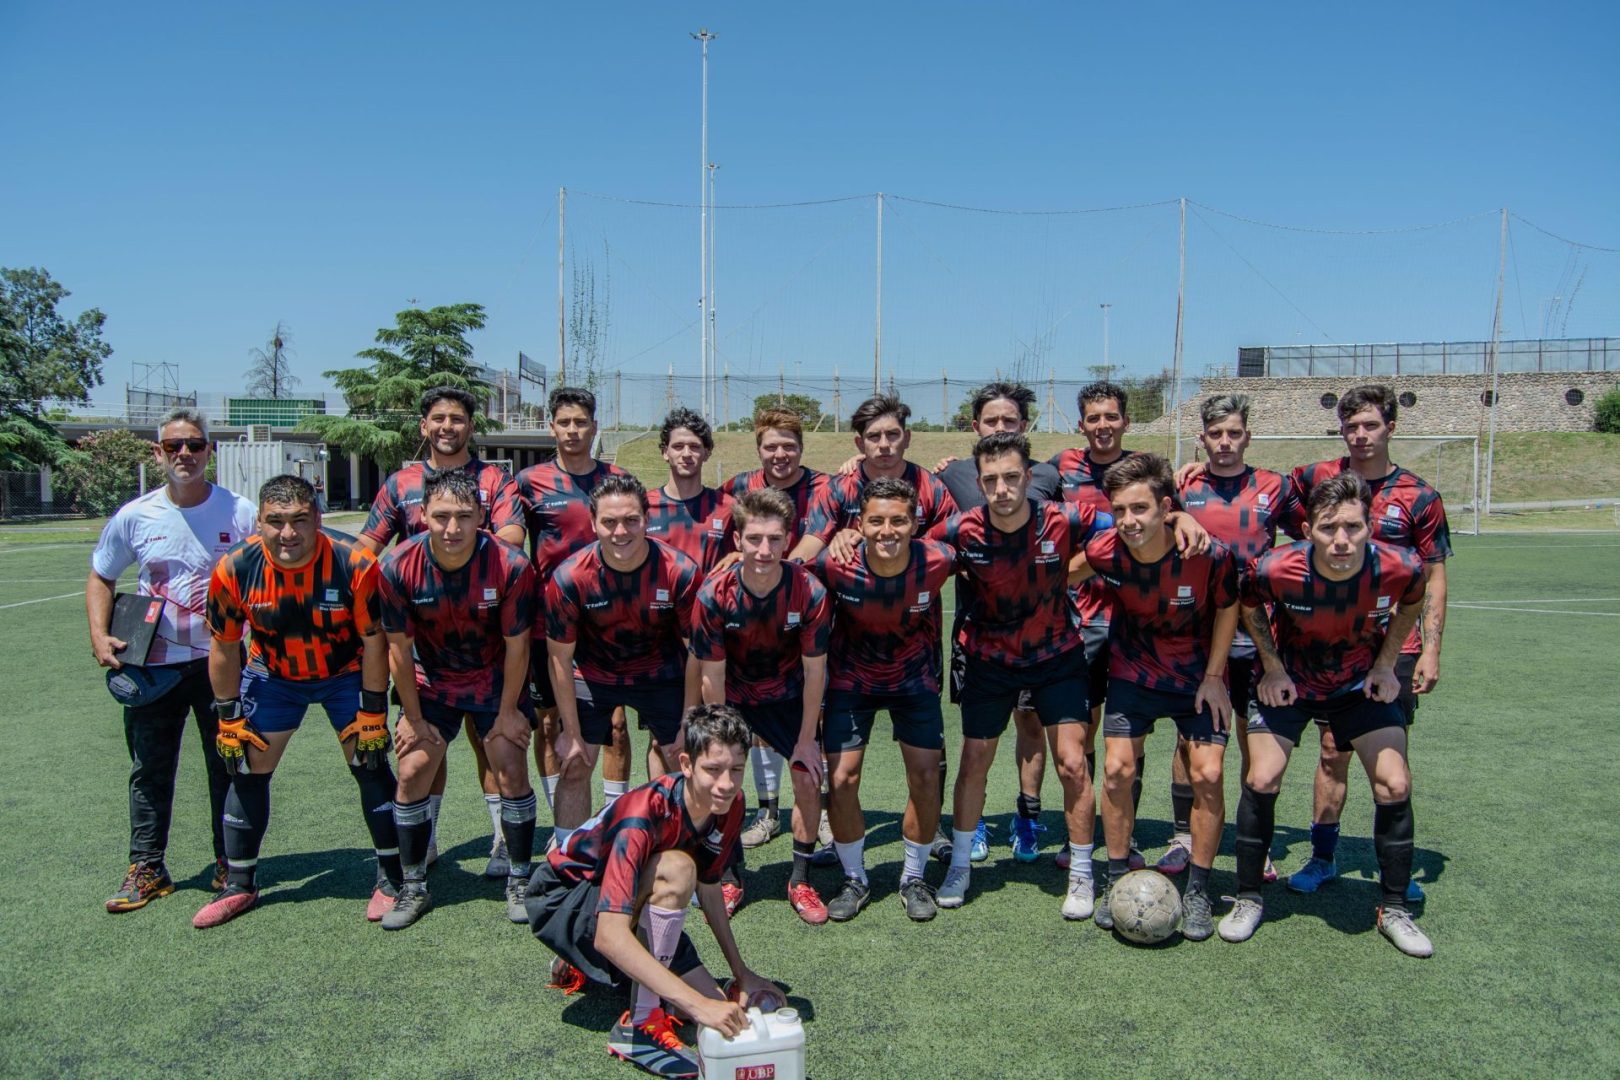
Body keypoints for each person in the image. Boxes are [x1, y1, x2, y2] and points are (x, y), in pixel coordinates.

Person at [1219, 473, 1433, 957]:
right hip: (1290, 682)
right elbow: (1247, 604)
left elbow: (1413, 602)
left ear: (1370, 526)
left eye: (1354, 528)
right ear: (1308, 528)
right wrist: (1271, 668)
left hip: (1359, 685)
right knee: (1263, 778)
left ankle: (1394, 908)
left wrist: (1385, 664)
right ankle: (1249, 897)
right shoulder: (1276, 567)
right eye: (1328, 527)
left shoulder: (1400, 566)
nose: (1341, 540)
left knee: (1395, 784)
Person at [531, 705, 784, 1080]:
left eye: (735, 769)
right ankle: (640, 1027)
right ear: (686, 764)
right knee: (678, 870)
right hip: (561, 900)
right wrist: (697, 1006)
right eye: (713, 769)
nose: (726, 783)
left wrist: (740, 972)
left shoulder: (729, 803)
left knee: (722, 1004)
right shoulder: (643, 814)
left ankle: (585, 964)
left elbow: (711, 889)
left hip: (620, 898)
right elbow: (610, 934)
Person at [194, 475, 401, 927]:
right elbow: (225, 646)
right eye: (276, 522)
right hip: (273, 675)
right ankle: (239, 885)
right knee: (247, 767)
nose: (288, 533)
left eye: (299, 521)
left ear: (317, 520)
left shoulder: (355, 562)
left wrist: (372, 711)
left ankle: (391, 878)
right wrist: (227, 715)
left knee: (369, 762)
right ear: (259, 522)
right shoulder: (233, 568)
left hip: (344, 673)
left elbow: (373, 640)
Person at [925, 433, 1109, 917]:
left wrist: (1175, 516)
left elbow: (1131, 527)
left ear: (1029, 477)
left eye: (1011, 477)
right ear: (979, 482)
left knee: (1073, 762)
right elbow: (905, 551)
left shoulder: (1065, 517)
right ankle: (961, 865)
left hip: (1057, 656)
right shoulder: (961, 528)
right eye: (991, 479)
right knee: (974, 762)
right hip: (990, 658)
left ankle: (1082, 874)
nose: (1002, 488)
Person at [1284, 385, 1450, 902]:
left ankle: (1393, 870)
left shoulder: (1419, 497)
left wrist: (1431, 649)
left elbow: (1434, 576)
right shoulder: (1315, 479)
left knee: (1389, 761)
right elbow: (1274, 511)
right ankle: (1322, 856)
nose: (1360, 435)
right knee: (1332, 752)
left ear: (1390, 429)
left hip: (1393, 649)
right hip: (1327, 647)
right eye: (1351, 426)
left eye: (1371, 425)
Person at [89, 407, 256, 912]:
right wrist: (99, 636)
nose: (185, 454)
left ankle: (231, 862)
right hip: (151, 665)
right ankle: (147, 867)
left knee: (227, 764)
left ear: (211, 451)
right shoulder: (135, 515)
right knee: (150, 769)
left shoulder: (240, 512)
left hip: (221, 663)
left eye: (195, 445)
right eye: (173, 446)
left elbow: (263, 577)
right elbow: (101, 575)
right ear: (158, 453)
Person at [358, 385, 527, 878]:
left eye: (457, 418)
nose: (448, 426)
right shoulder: (401, 483)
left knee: (489, 737)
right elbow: (368, 546)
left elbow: (512, 537)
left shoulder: (493, 479)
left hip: (487, 632)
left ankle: (501, 839)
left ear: (471, 427)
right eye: (438, 418)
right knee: (428, 741)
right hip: (424, 636)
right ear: (423, 426)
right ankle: (426, 838)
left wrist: (457, 562)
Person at [1078, 454, 1240, 940]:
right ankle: (1114, 877)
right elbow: (1057, 575)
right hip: (1134, 674)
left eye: (1140, 509)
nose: (1129, 520)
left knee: (1208, 774)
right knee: (1116, 771)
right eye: (1120, 509)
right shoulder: (1106, 550)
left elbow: (1230, 609)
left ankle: (1198, 890)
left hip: (1197, 678)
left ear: (1166, 508)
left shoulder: (1209, 553)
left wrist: (1215, 677)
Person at [375, 470, 538, 929]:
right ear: (422, 515)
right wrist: (411, 716)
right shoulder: (396, 566)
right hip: (433, 680)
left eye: (464, 516)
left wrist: (508, 712)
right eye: (442, 516)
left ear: (482, 517)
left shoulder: (511, 565)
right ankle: (412, 886)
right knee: (410, 770)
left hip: (493, 678)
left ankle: (521, 879)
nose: (452, 528)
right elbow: (398, 651)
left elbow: (518, 646)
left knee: (508, 763)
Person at [1159, 393, 1302, 885]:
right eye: (1215, 434)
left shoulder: (1274, 487)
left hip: (1261, 638)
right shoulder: (1185, 488)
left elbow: (1315, 532)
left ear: (1247, 436)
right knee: (1190, 740)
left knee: (1251, 739)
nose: (1225, 442)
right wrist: (1178, 514)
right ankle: (1182, 836)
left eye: (1234, 433)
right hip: (1199, 637)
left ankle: (1253, 842)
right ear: (1202, 438)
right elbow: (1154, 519)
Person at [809, 478, 956, 922]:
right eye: (876, 520)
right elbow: (781, 571)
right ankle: (855, 877)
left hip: (914, 682)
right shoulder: (834, 564)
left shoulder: (939, 559)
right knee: (842, 781)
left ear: (915, 524)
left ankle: (914, 877)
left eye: (898, 520)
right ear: (860, 523)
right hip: (851, 681)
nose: (887, 530)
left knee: (927, 779)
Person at [545, 475, 703, 875]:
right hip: (594, 674)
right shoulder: (569, 577)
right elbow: (560, 660)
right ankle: (569, 860)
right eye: (610, 522)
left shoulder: (679, 571)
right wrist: (569, 730)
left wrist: (690, 717)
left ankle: (677, 854)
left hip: (661, 673)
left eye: (631, 520)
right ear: (593, 523)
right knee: (576, 762)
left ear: (647, 520)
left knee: (679, 756)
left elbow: (697, 652)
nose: (621, 531)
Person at [691, 488, 832, 924]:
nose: (764, 549)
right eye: (754, 539)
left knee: (808, 777)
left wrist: (807, 740)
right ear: (737, 540)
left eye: (774, 539)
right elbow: (710, 676)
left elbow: (815, 673)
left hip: (788, 695)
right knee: (723, 784)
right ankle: (731, 875)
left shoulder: (808, 590)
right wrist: (723, 738)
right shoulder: (714, 594)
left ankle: (801, 879)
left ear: (789, 539)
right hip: (733, 697)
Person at [515, 387, 636, 831]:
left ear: (594, 426)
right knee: (550, 728)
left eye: (580, 422)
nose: (572, 430)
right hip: (548, 625)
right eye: (564, 422)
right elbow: (512, 547)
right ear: (552, 427)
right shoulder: (529, 482)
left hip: (609, 625)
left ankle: (611, 820)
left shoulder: (617, 479)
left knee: (616, 726)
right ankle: (559, 827)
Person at [718, 407, 835, 853]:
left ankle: (818, 815)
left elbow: (815, 541)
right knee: (759, 719)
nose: (780, 453)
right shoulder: (740, 486)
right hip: (755, 612)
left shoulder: (825, 486)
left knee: (810, 716)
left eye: (789, 445)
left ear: (801, 448)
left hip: (811, 607)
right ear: (758, 448)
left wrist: (774, 567)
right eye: (771, 445)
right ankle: (768, 812)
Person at [1048, 380, 1142, 869]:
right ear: (1080, 423)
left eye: (1111, 416)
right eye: (1093, 418)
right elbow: (997, 475)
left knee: (1128, 740)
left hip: (1134, 622)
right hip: (1079, 621)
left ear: (1125, 421)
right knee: (1080, 734)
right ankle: (1079, 834)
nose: (1102, 425)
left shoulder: (1146, 471)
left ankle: (1124, 836)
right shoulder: (1062, 467)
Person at [646, 407, 735, 575]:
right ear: (665, 452)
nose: (686, 454)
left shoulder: (727, 508)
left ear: (706, 453)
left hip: (709, 600)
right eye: (678, 446)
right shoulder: (644, 506)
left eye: (694, 446)